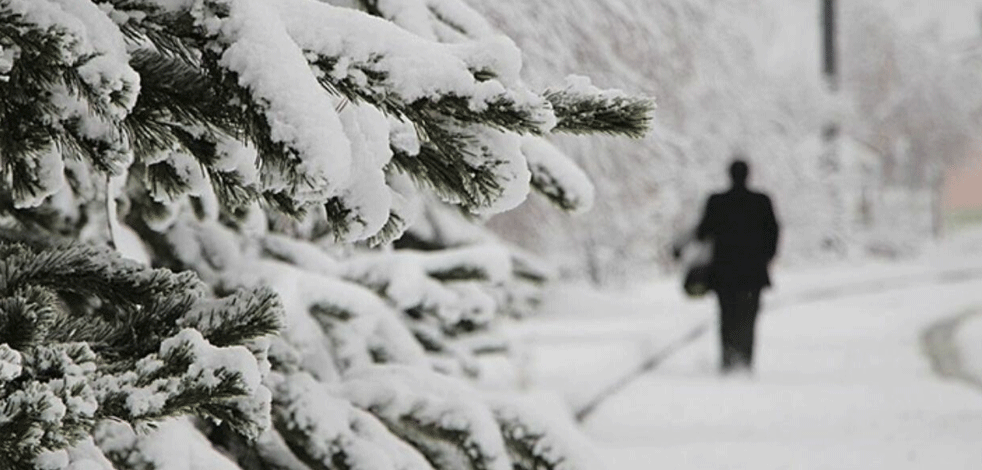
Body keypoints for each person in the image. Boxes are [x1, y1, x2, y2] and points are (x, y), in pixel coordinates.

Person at [694, 158, 779, 374]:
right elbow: (773, 233)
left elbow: (703, 231)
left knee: (726, 316)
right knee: (749, 317)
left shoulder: (717, 201)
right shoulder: (761, 201)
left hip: (724, 273)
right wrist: (765, 258)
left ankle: (728, 359)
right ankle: (745, 360)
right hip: (753, 273)